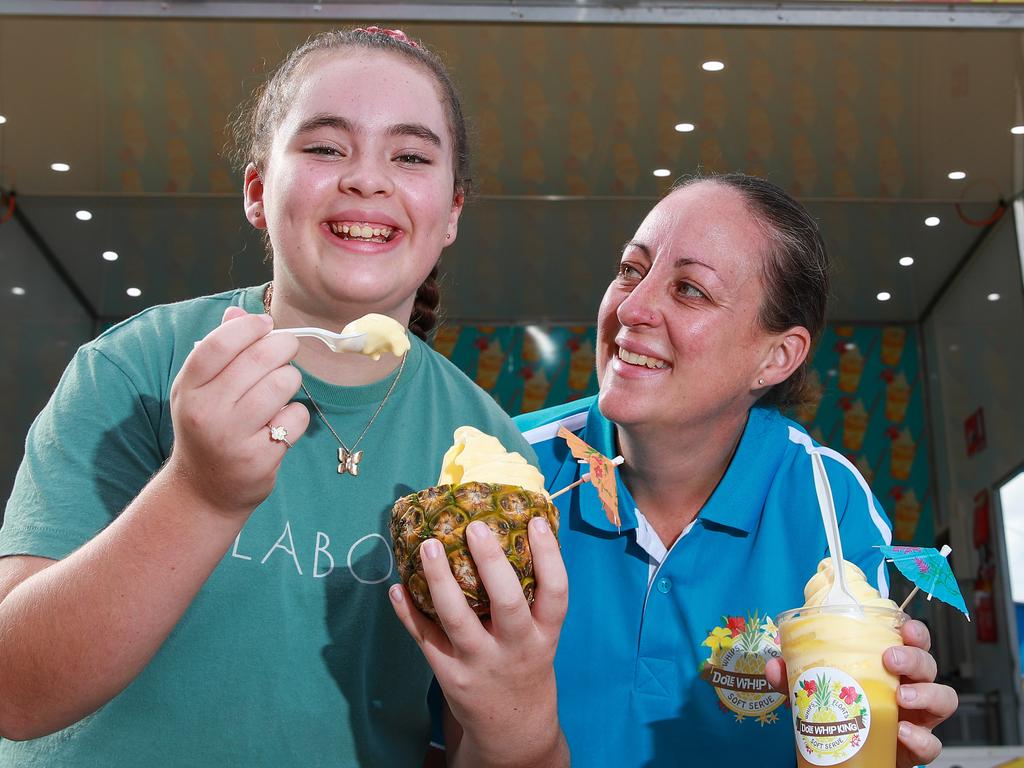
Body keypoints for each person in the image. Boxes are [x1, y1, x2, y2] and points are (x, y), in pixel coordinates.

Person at [0, 27, 565, 767]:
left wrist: (519, 715)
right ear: (258, 191)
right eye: (327, 147)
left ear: (452, 212)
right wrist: (200, 493)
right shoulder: (138, 368)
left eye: (411, 155)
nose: (367, 179)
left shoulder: (491, 456)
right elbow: (16, 693)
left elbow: (489, 743)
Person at [405, 174, 957, 767]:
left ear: (776, 357)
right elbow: (445, 747)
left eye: (690, 289)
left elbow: (857, 728)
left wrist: (888, 746)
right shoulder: (508, 472)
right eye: (629, 270)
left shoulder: (827, 500)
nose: (632, 308)